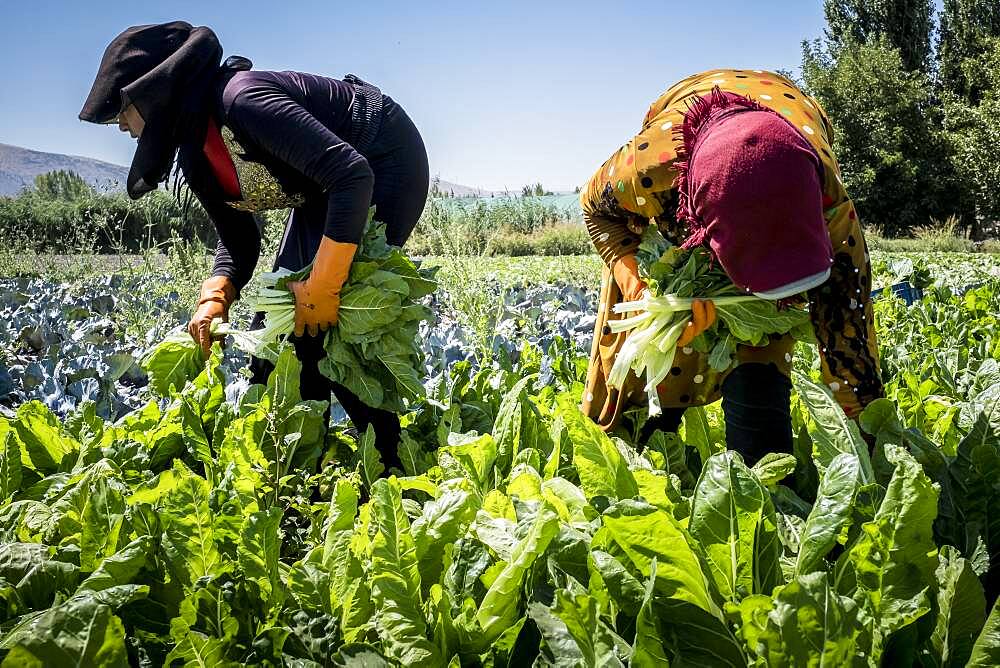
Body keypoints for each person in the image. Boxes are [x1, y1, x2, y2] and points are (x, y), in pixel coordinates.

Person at [80, 22, 429, 469]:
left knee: (332, 325)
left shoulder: (242, 100)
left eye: (123, 112)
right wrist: (216, 295)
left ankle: (392, 465)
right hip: (329, 189)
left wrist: (324, 285)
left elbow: (351, 174)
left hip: (383, 159)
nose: (122, 127)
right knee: (273, 334)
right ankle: (299, 462)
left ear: (155, 91)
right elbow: (239, 240)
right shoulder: (195, 153)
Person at [579, 69, 883, 464]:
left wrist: (869, 438)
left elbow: (848, 325)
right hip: (691, 171)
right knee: (657, 346)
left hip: (786, 130)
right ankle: (643, 450)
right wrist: (643, 291)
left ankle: (762, 467)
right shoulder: (648, 170)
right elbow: (595, 210)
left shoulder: (825, 195)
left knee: (760, 332)